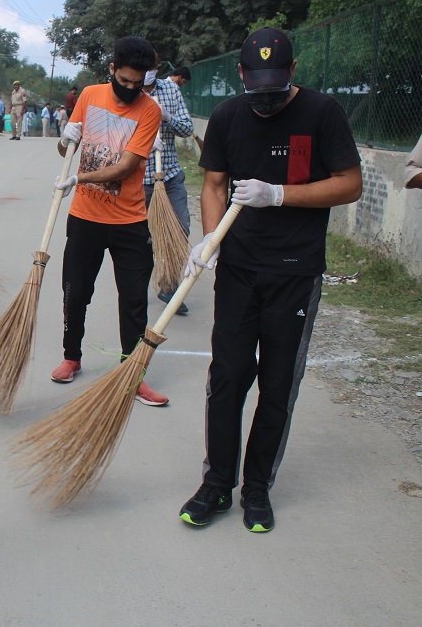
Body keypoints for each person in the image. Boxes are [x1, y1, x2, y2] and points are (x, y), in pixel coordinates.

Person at [179, 27, 362, 533]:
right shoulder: (227, 116)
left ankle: (257, 488)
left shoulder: (323, 114)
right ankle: (217, 482)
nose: (264, 102)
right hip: (238, 269)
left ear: (292, 74)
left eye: (274, 92)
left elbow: (350, 184)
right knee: (229, 375)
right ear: (241, 75)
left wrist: (278, 194)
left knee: (278, 384)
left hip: (295, 272)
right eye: (255, 91)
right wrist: (211, 239)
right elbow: (214, 183)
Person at [50, 35, 169, 407]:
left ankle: (132, 372)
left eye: (139, 83)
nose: (131, 89)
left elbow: (127, 166)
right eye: (124, 81)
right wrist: (64, 136)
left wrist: (79, 179)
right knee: (75, 292)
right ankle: (72, 356)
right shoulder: (89, 95)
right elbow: (66, 150)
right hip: (85, 218)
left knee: (134, 300)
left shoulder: (149, 111)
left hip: (129, 221)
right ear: (113, 69)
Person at [141, 54, 195, 315]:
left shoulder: (170, 89)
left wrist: (166, 117)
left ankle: (169, 285)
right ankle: (138, 286)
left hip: (169, 175)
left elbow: (187, 128)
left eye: (152, 67)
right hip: (138, 181)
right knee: (142, 238)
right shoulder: (128, 92)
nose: (149, 72)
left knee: (180, 227)